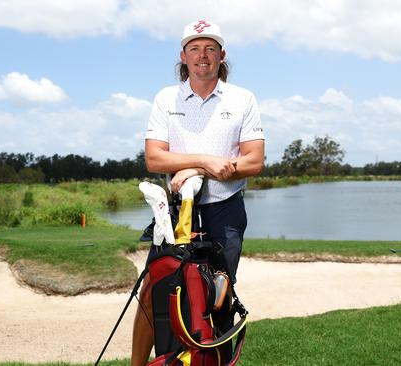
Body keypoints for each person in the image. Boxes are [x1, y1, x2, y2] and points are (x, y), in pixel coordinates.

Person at [130, 19, 265, 366]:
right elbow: (154, 158)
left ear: (222, 55)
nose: (202, 55)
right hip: (174, 213)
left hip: (225, 209)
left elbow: (255, 161)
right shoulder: (166, 98)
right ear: (183, 56)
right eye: (195, 48)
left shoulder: (242, 98)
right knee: (153, 292)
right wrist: (204, 161)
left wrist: (194, 169)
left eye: (209, 48)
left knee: (218, 297)